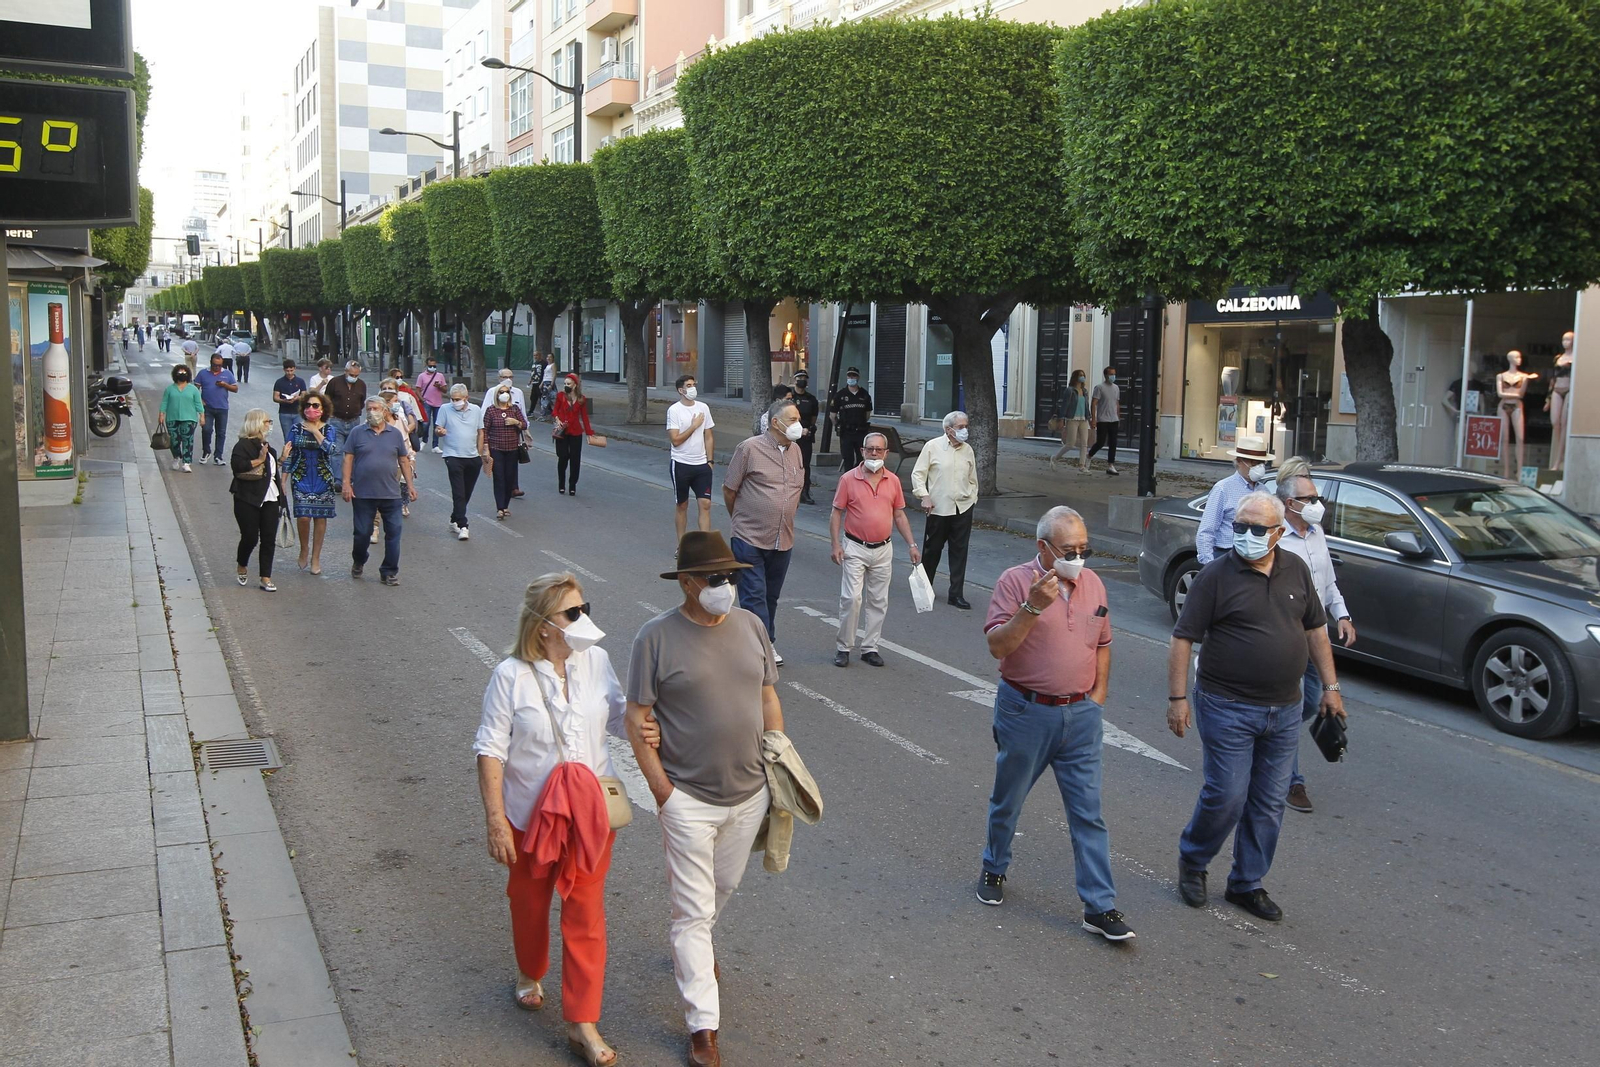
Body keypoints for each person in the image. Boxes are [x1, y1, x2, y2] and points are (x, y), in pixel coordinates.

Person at [625, 531, 785, 1067]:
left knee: (723, 886)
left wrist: (778, 761)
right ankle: (702, 1026)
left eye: (731, 577)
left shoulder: (751, 626)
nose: (726, 587)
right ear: (688, 584)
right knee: (692, 912)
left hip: (749, 794)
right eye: (715, 579)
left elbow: (767, 695)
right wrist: (662, 791)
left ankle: (698, 951)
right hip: (687, 798)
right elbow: (636, 717)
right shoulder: (655, 638)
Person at [1167, 491, 1346, 922]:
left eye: (1256, 529)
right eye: (1239, 527)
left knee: (1267, 802)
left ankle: (1246, 883)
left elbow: (1316, 632)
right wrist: (1177, 700)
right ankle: (1193, 860)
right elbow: (1182, 637)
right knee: (1227, 795)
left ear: (1279, 533)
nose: (1245, 535)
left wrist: (1331, 686)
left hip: (1284, 710)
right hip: (1226, 705)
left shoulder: (1296, 571)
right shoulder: (1216, 576)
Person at [474, 572, 629, 1067]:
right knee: (529, 902)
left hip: (588, 817)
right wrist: (496, 820)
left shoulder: (597, 661)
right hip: (528, 817)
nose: (584, 619)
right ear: (543, 626)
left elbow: (625, 715)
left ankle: (582, 1023)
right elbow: (491, 750)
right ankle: (530, 970)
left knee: (586, 916)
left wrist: (665, 717)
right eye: (573, 613)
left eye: (586, 607)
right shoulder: (510, 675)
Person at [976, 506, 1133, 940]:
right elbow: (997, 646)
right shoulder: (1014, 581)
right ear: (1043, 547)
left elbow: (1103, 643)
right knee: (1008, 800)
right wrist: (1031, 606)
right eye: (1069, 550)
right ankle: (994, 867)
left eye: (1084, 549)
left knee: (1089, 814)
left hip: (1080, 716)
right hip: (1026, 711)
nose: (1078, 558)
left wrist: (1096, 699)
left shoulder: (1094, 583)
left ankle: (1099, 906)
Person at [1273, 460, 1356, 815]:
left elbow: (1328, 581)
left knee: (1305, 705)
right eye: (1308, 498)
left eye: (1316, 496)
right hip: (1289, 637)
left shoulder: (1316, 533)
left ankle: (1270, 738)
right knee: (1293, 707)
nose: (1316, 503)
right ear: (1290, 503)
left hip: (1317, 635)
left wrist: (1343, 614)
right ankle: (1292, 782)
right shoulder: (1274, 535)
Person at [723, 398, 806, 666]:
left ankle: (760, 640)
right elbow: (729, 489)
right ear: (775, 422)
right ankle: (763, 646)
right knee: (754, 594)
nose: (798, 425)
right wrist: (741, 519)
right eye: (792, 420)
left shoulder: (796, 451)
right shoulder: (749, 449)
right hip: (749, 537)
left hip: (783, 538)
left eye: (798, 419)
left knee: (771, 595)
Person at [829, 432, 920, 668]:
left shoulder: (893, 481)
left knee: (878, 600)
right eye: (870, 449)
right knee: (851, 598)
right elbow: (837, 512)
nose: (874, 453)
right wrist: (836, 544)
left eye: (879, 450)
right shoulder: (849, 479)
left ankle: (870, 647)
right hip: (855, 547)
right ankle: (844, 647)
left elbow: (899, 514)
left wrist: (911, 545)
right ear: (862, 451)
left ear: (886, 453)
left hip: (883, 549)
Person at [341, 397, 416, 586]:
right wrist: (346, 484)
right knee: (362, 533)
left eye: (375, 408)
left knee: (393, 533)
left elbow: (404, 460)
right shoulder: (357, 433)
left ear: (384, 411)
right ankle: (359, 560)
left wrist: (410, 486)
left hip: (391, 493)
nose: (372, 412)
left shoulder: (395, 434)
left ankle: (389, 571)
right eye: (369, 409)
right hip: (363, 494)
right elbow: (348, 459)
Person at [912, 410, 979, 610]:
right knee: (932, 550)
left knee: (959, 551)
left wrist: (973, 497)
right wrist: (924, 496)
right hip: (939, 507)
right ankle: (925, 589)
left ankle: (956, 594)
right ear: (949, 429)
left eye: (966, 426)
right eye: (961, 427)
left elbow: (972, 477)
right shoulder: (932, 447)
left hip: (963, 507)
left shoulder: (968, 450)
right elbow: (918, 474)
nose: (965, 430)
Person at [280, 392, 339, 574]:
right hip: (301, 477)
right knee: (304, 517)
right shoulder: (296, 429)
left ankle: (316, 557)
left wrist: (315, 431)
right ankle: (304, 548)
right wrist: (283, 481)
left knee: (320, 518)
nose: (310, 409)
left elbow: (331, 450)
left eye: (315, 406)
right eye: (308, 405)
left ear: (323, 410)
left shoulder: (329, 430)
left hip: (323, 479)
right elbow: (288, 454)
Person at [228, 409, 283, 592]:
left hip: (270, 498)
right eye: (267, 421)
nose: (270, 425)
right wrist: (259, 460)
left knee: (268, 539)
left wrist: (280, 459)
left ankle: (265, 577)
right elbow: (237, 467)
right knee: (250, 537)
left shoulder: (268, 447)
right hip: (247, 498)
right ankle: (242, 563)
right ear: (257, 423)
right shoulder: (242, 446)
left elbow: (272, 474)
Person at [1194, 436, 1271, 564]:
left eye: (1261, 463)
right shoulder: (1223, 489)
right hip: (1227, 555)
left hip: (1257, 555)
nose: (1259, 467)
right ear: (1239, 461)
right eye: (1253, 463)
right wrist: (1209, 564)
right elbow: (1206, 531)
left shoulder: (1264, 491)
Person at [668, 375, 716, 543]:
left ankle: (705, 546)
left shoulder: (703, 407)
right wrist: (694, 426)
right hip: (681, 464)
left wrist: (710, 461)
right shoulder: (674, 410)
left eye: (693, 384)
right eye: (688, 385)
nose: (692, 387)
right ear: (681, 390)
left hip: (701, 465)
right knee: (682, 505)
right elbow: (675, 440)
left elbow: (709, 436)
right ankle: (682, 545)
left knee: (705, 504)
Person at [436, 383, 487, 541]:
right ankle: (463, 525)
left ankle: (454, 519)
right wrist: (440, 431)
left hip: (472, 457)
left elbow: (480, 432)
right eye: (452, 399)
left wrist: (479, 453)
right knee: (458, 491)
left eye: (458, 399)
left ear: (466, 398)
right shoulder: (445, 409)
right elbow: (438, 428)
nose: (455, 401)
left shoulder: (476, 410)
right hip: (452, 455)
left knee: (466, 492)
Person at [483, 380, 528, 520]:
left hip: (512, 448)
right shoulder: (491, 410)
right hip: (496, 448)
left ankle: (506, 505)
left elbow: (524, 424)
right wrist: (485, 448)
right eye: (501, 392)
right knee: (499, 478)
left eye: (507, 392)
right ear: (497, 395)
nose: (504, 394)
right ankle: (500, 507)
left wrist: (516, 422)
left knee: (509, 478)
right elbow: (484, 430)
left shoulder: (514, 409)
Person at [552, 373, 594, 497]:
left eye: (568, 384)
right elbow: (554, 411)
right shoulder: (560, 396)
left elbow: (584, 417)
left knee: (575, 459)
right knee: (563, 456)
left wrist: (589, 432)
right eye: (565, 384)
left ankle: (572, 485)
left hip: (575, 431)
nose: (566, 386)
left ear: (575, 385)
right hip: (562, 431)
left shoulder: (581, 399)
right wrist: (557, 420)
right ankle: (561, 483)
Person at [157, 364, 205, 472]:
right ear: (175, 375)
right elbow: (164, 402)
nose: (182, 375)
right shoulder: (169, 389)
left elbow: (198, 404)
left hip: (189, 419)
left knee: (187, 440)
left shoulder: (193, 389)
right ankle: (176, 457)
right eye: (180, 373)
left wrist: (202, 416)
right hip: (172, 418)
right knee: (173, 440)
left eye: (184, 373)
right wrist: (161, 415)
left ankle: (186, 462)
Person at [195, 351, 239, 465]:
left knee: (221, 433)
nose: (217, 367)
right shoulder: (203, 373)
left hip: (222, 408)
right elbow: (195, 389)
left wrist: (225, 385)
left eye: (219, 365)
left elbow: (235, 388)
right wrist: (200, 401)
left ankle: (218, 456)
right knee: (206, 430)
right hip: (207, 407)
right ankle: (206, 451)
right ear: (211, 363)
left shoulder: (227, 373)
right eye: (215, 365)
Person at [830, 367, 873, 471]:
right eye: (849, 375)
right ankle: (848, 482)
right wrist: (838, 426)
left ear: (858, 377)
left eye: (853, 375)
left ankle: (858, 480)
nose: (851, 378)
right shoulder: (840, 395)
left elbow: (867, 414)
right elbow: (832, 415)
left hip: (860, 431)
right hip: (846, 432)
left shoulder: (864, 394)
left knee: (861, 459)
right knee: (847, 459)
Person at [1050, 370, 1093, 473]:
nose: (1082, 377)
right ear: (1075, 377)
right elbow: (1065, 405)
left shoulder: (1085, 391)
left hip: (1083, 419)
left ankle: (1082, 466)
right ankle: (1055, 458)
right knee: (1070, 443)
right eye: (1080, 375)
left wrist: (1090, 418)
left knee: (1084, 443)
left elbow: (1086, 406)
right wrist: (1061, 419)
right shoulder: (1070, 391)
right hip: (1072, 419)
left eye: (1083, 375)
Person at [790, 370, 819, 504]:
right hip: (790, 437)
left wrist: (808, 430)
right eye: (799, 377)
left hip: (805, 437)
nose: (802, 380)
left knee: (805, 465)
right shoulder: (789, 397)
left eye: (804, 378)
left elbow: (813, 419)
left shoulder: (811, 399)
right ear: (794, 379)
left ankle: (805, 492)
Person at [1087, 366, 1121, 475]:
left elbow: (1117, 403)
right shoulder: (1099, 387)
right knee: (1101, 442)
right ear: (1106, 375)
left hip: (1113, 419)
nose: (1113, 376)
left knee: (1113, 443)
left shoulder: (1116, 388)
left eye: (1114, 374)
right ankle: (1089, 456)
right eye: (1111, 374)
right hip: (1102, 419)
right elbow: (1094, 403)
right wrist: (1093, 418)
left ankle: (1111, 465)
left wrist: (1118, 416)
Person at [325, 360, 369, 443]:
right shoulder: (335, 382)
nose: (354, 378)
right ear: (345, 371)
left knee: (352, 449)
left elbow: (361, 401)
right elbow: (327, 398)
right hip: (337, 420)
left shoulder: (361, 384)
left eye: (356, 376)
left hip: (354, 421)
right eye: (351, 375)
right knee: (337, 450)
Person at [416, 356, 450, 452]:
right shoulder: (422, 376)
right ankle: (424, 440)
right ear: (427, 365)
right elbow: (417, 389)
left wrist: (439, 386)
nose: (432, 367)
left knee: (437, 424)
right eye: (430, 365)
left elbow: (445, 390)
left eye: (434, 366)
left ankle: (435, 445)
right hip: (426, 401)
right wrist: (422, 399)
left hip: (438, 403)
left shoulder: (440, 376)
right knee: (426, 423)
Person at [389, 368, 425, 452]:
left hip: (406, 429)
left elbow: (414, 409)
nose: (400, 379)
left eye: (401, 377)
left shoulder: (407, 391)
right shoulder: (383, 394)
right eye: (397, 377)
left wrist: (416, 422)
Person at [272, 359, 307, 443]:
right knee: (287, 437)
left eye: (291, 370)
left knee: (299, 436)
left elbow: (304, 395)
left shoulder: (300, 381)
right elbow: (275, 397)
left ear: (294, 369)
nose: (289, 373)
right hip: (284, 413)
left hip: (298, 412)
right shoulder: (279, 382)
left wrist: (297, 398)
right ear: (284, 370)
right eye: (287, 371)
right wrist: (284, 400)